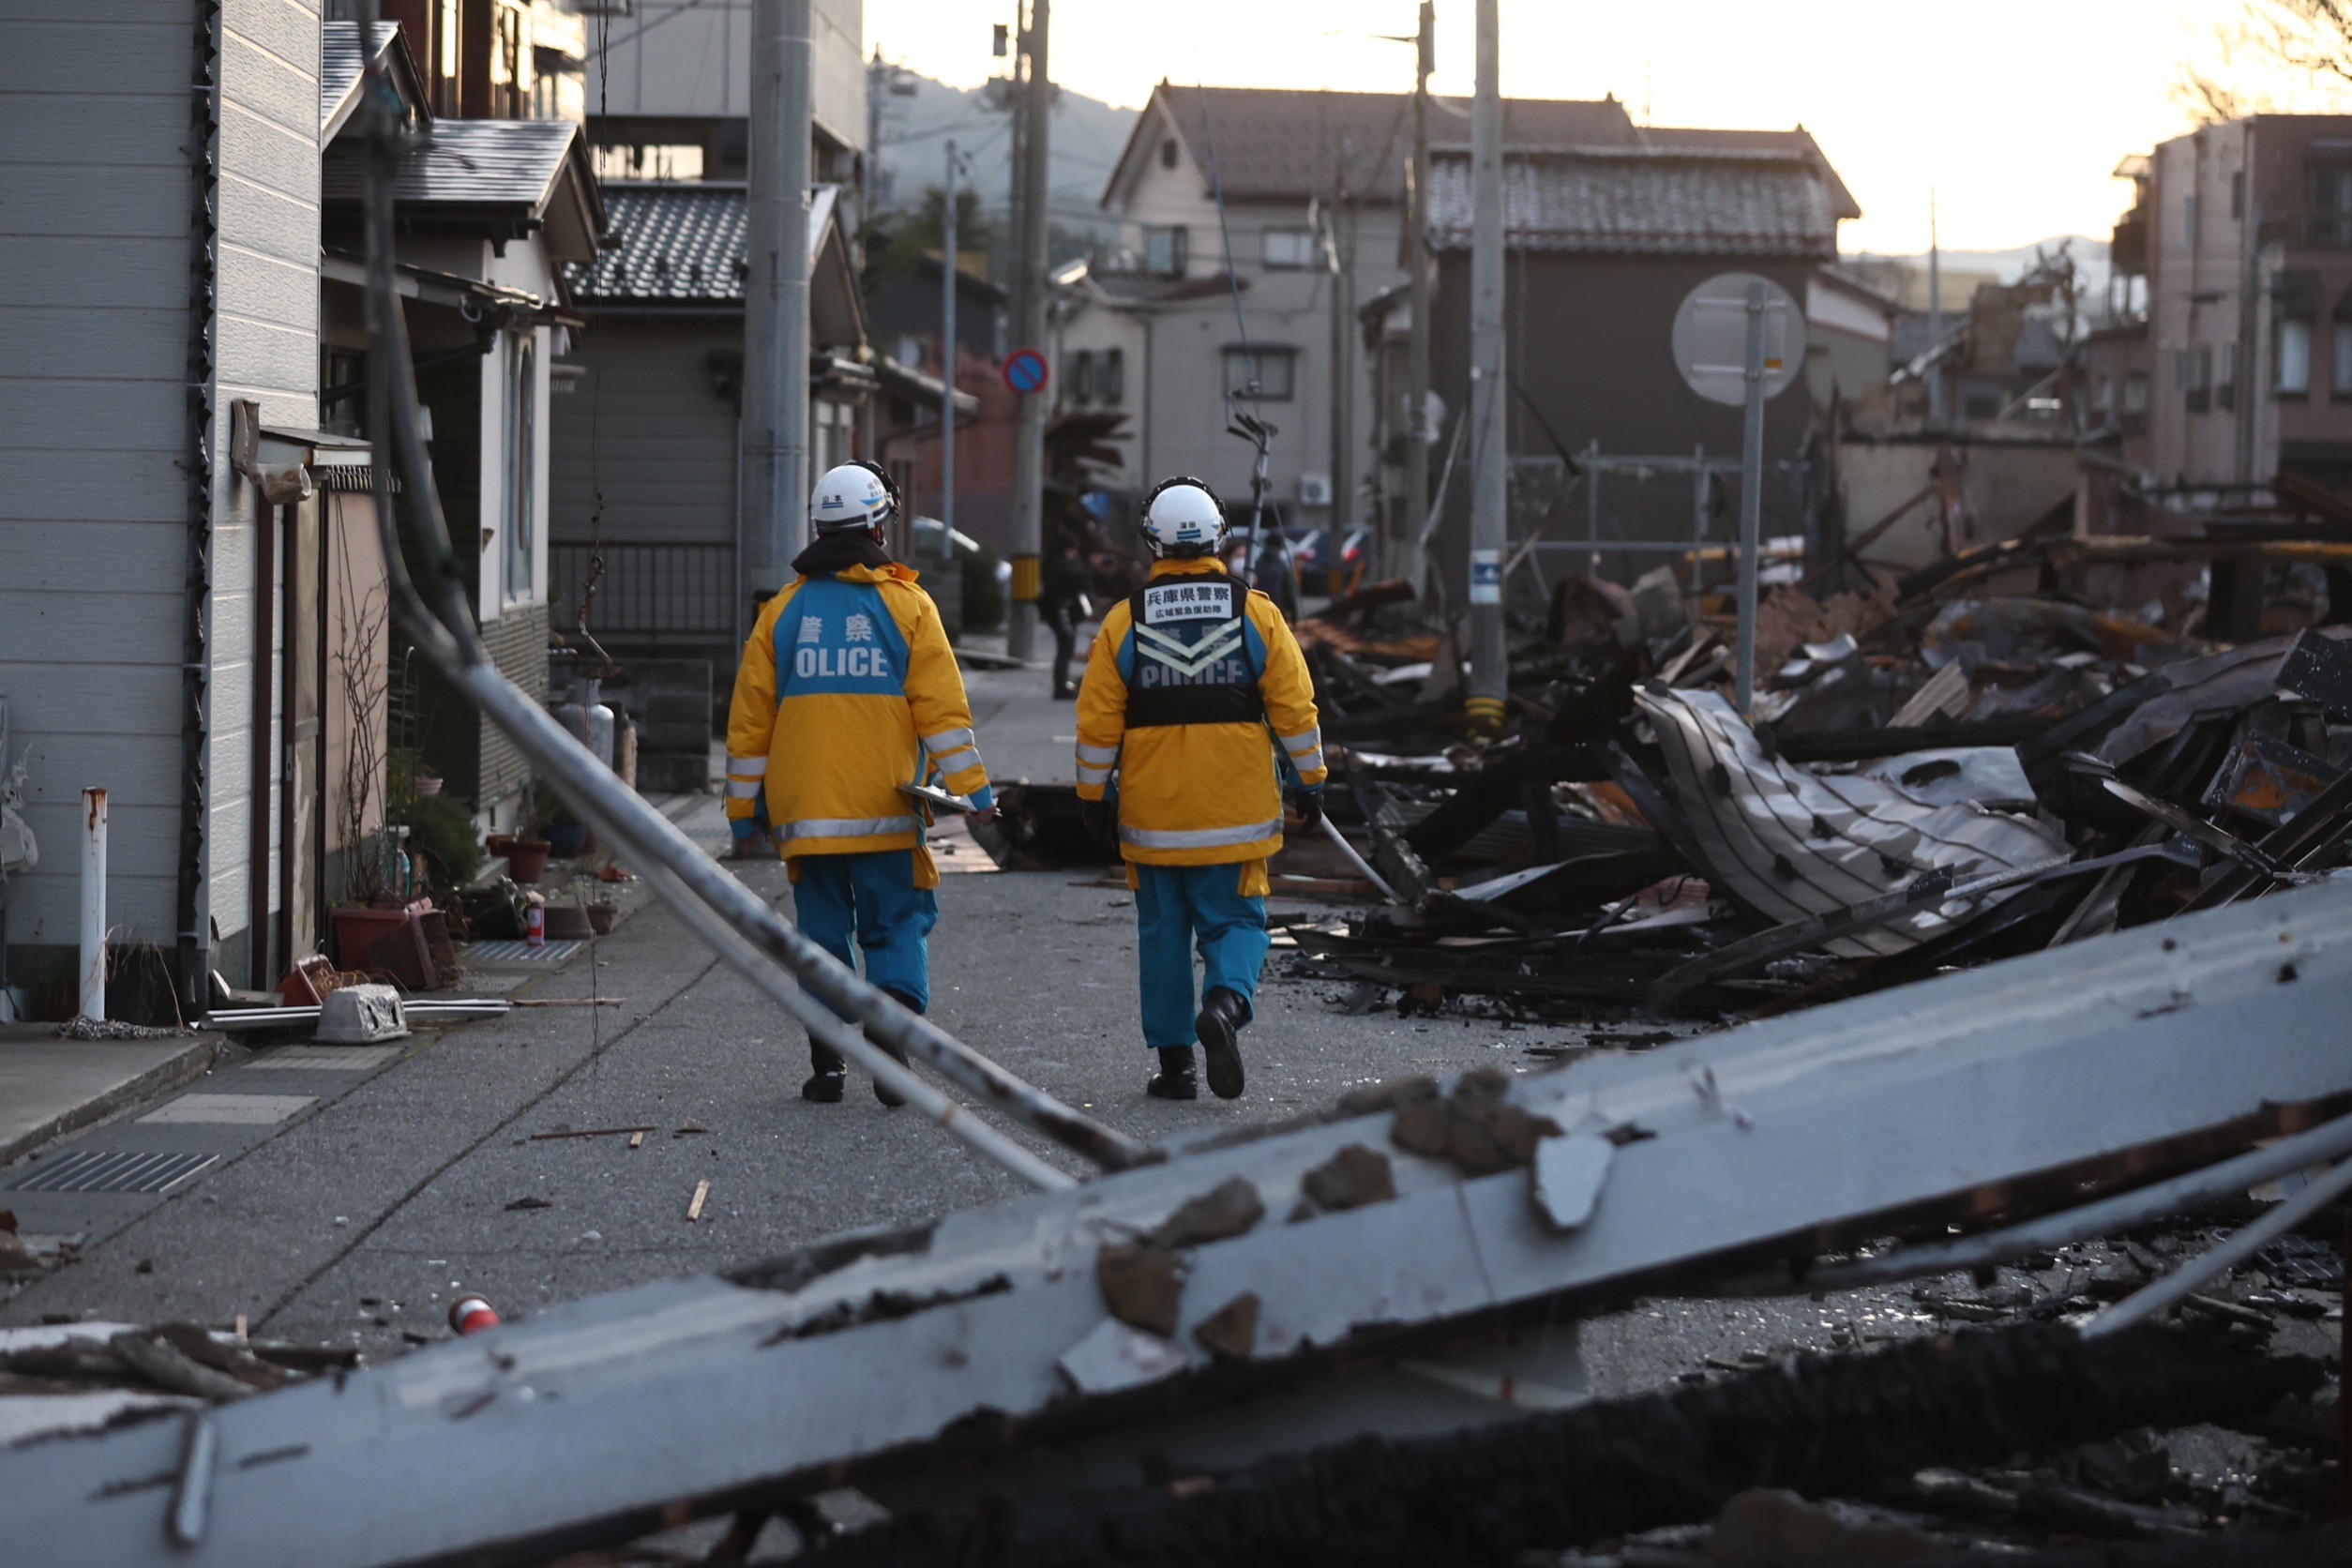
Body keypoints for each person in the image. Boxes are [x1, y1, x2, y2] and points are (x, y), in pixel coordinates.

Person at [723, 461, 994, 1106]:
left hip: (805, 816)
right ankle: (890, 1029)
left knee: (821, 936)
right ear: (877, 526)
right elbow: (943, 715)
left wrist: (742, 814)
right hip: (885, 811)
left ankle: (827, 1068)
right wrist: (975, 793)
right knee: (897, 922)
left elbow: (748, 725)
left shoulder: (782, 614)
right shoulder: (907, 605)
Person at [1071, 476, 1326, 1101]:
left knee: (1162, 934)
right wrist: (1311, 780)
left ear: (1151, 542)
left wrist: (1089, 796)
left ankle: (1176, 1067)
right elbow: (1294, 707)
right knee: (1237, 922)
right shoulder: (1256, 612)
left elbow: (1098, 721)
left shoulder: (1123, 622)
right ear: (1219, 536)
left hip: (1153, 818)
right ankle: (1225, 1005)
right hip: (1235, 814)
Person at [1039, 535, 1093, 700]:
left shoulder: (1053, 563)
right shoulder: (1062, 565)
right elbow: (1079, 578)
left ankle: (1062, 685)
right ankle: (1060, 687)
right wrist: (1091, 567)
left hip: (1058, 610)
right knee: (1065, 647)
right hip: (1063, 611)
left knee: (1065, 647)